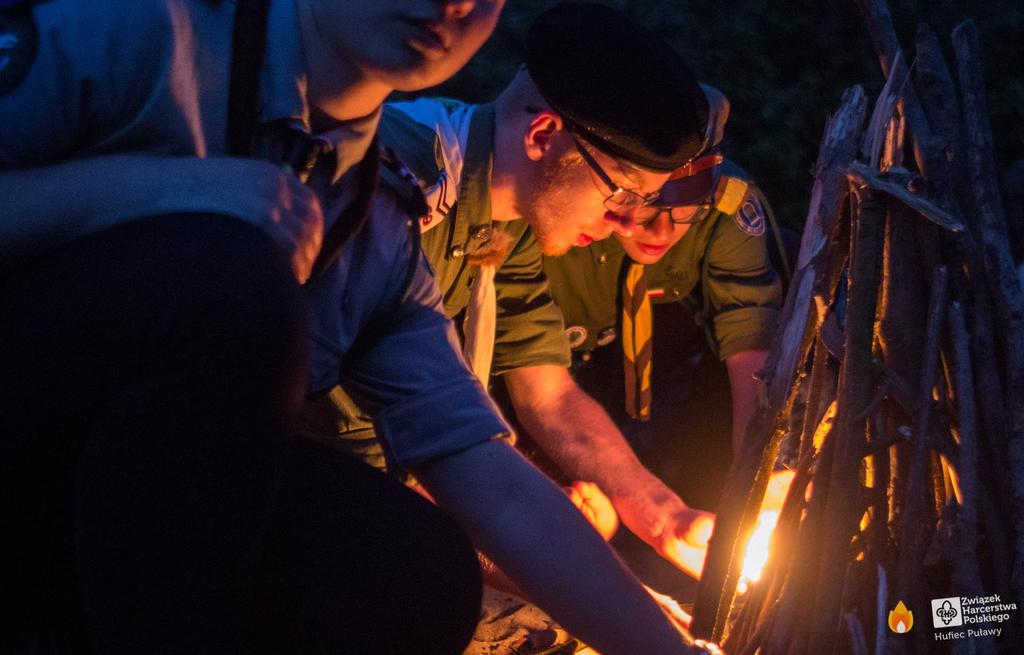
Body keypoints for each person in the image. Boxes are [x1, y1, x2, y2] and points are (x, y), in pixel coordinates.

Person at [0, 1, 709, 653]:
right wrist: (169, 192)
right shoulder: (139, 28)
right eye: (621, 192)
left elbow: (488, 474)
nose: (451, 2)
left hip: (117, 531)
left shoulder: (372, 217)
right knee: (235, 277)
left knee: (419, 569)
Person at [300, 2, 717, 578]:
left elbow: (548, 393)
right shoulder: (397, 186)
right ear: (544, 135)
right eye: (621, 193)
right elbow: (358, 458)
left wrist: (666, 518)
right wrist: (536, 544)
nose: (627, 223)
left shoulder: (510, 219)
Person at [542, 85, 792, 521]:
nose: (660, 234)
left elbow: (750, 334)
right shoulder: (560, 205)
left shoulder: (729, 204)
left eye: (685, 208)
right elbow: (534, 382)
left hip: (661, 353)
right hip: (557, 356)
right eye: (644, 207)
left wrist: (760, 475)